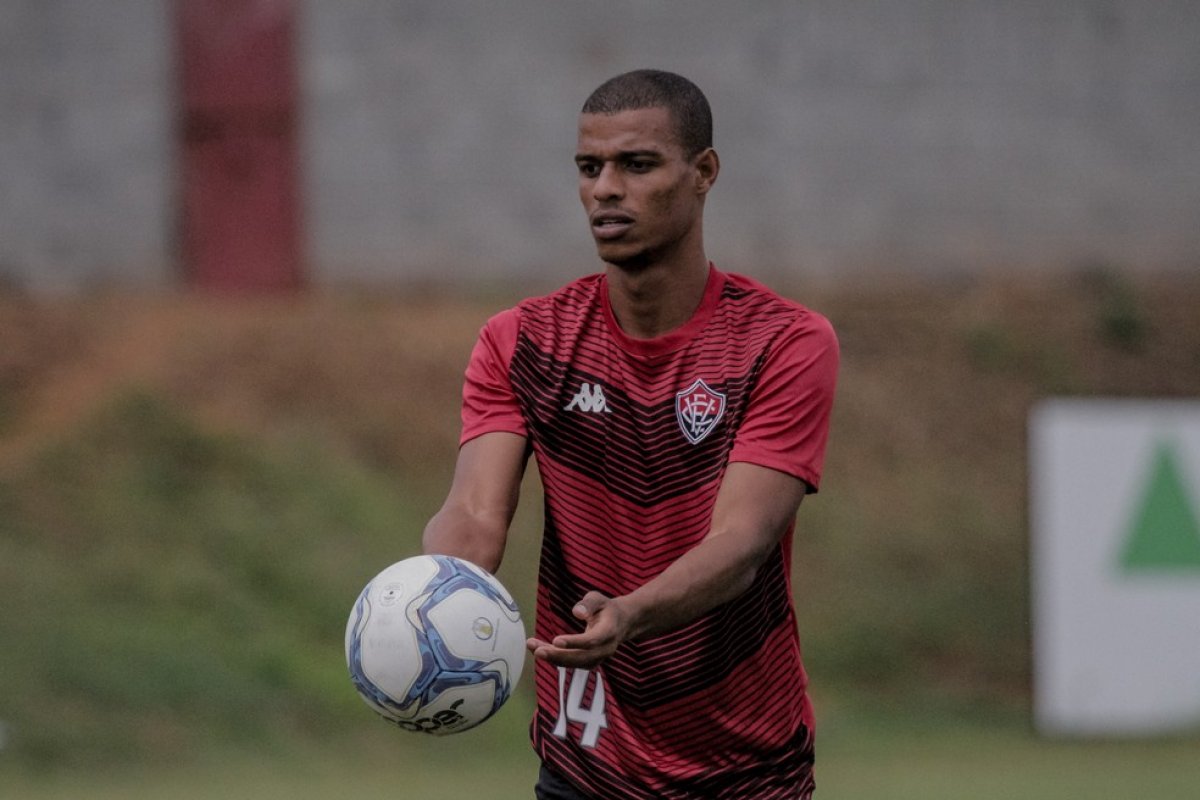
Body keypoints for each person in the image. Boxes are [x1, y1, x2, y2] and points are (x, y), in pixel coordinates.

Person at [422, 69, 838, 800]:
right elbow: (476, 515)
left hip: (745, 771)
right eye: (590, 168)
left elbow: (742, 543)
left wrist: (632, 612)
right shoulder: (524, 341)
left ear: (703, 172)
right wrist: (426, 599)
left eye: (636, 165)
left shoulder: (782, 342)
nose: (605, 189)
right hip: (584, 762)